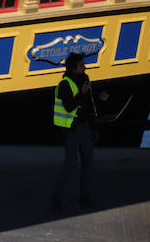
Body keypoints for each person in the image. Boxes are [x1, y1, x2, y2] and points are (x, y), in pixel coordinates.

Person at [51, 51, 107, 210]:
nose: (85, 67)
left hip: (86, 128)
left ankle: (85, 196)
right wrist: (82, 94)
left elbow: (88, 104)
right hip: (73, 130)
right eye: (82, 65)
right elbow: (69, 106)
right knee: (70, 164)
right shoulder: (64, 84)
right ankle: (56, 198)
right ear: (74, 68)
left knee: (88, 164)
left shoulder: (85, 79)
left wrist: (98, 97)